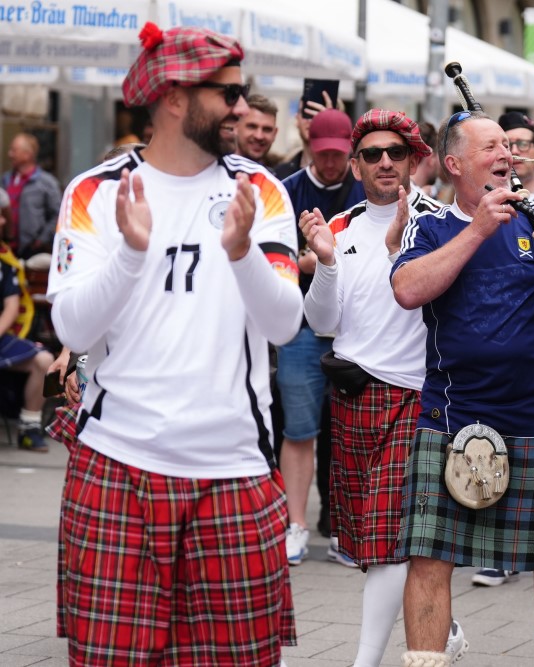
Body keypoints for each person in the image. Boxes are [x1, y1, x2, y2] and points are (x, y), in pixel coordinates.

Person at [47, 23, 302, 665]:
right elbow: (73, 330)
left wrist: (242, 253)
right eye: (228, 93)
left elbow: (284, 324)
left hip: (234, 470)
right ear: (175, 98)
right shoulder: (96, 191)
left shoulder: (259, 190)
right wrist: (130, 255)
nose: (240, 108)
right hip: (116, 464)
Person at [390, 110, 534, 667]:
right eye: (491, 146)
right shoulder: (431, 225)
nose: (506, 154)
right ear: (453, 164)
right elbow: (407, 289)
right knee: (427, 556)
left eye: (507, 146)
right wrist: (478, 230)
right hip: (453, 416)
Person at [300, 108, 469, 666]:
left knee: (389, 541)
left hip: (419, 399)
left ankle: (364, 661)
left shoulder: (440, 222)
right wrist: (326, 263)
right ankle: (440, 621)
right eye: (372, 154)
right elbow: (323, 324)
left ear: (415, 159)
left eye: (396, 152)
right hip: (352, 396)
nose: (385, 162)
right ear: (355, 165)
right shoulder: (341, 226)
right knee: (365, 545)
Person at [279, 107, 365, 566]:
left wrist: (320, 257)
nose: (330, 162)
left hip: (353, 326)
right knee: (298, 428)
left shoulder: (363, 190)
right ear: (309, 147)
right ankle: (295, 523)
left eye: (338, 154)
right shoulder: (288, 190)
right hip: (300, 326)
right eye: (323, 153)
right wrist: (311, 260)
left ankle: (344, 527)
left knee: (350, 430)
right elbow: (275, 258)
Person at [0, 201, 54, 451]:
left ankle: (29, 428)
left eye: (4, 216)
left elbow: (11, 307)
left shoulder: (5, 262)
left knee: (45, 361)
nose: (3, 221)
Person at [3, 132, 62, 258]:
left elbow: (58, 214)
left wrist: (41, 240)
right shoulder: (5, 179)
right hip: (7, 249)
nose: (10, 154)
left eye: (14, 150)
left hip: (33, 250)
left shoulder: (47, 182)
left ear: (28, 154)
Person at [235, 93, 279, 166]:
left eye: (267, 129)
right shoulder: (217, 169)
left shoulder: (278, 173)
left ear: (275, 134)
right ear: (236, 127)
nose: (259, 136)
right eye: (252, 127)